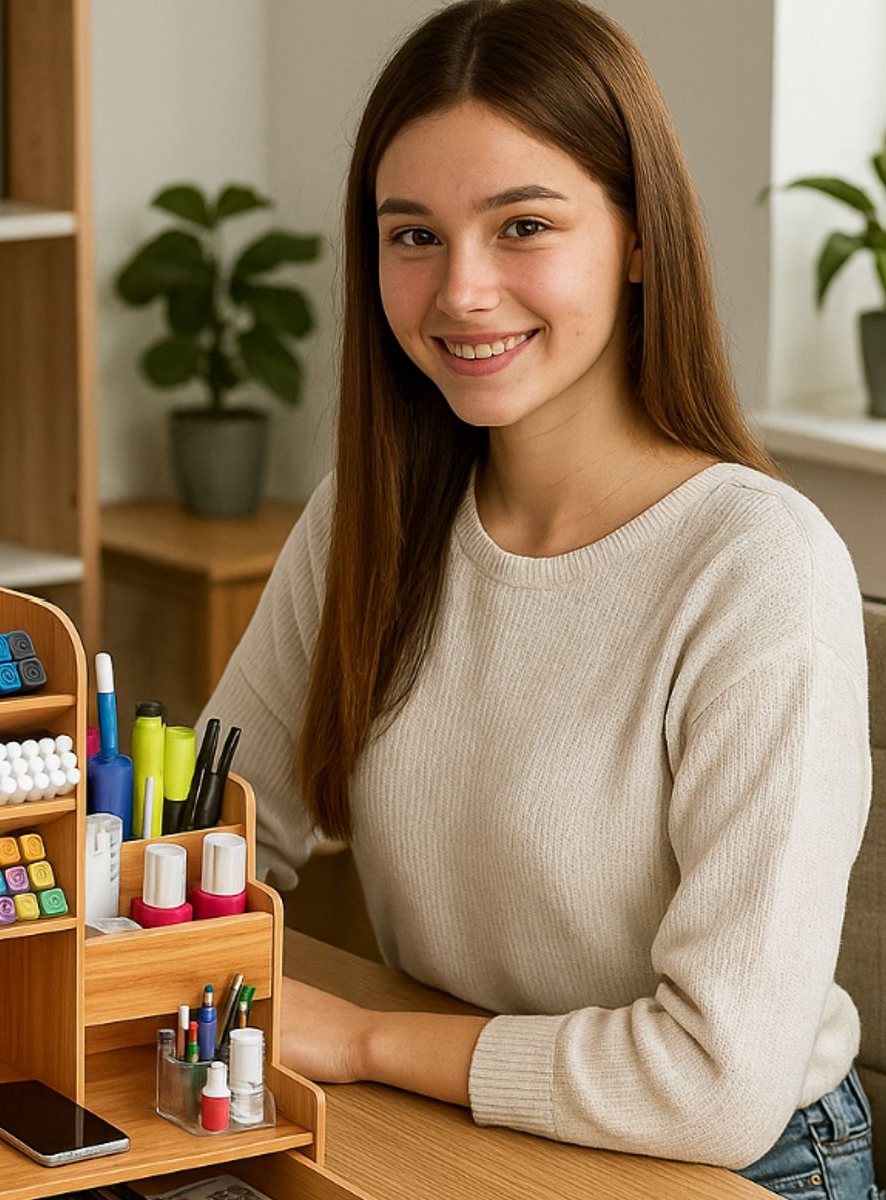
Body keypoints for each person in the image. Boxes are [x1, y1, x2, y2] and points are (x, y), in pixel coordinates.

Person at [195, 1, 877, 1196]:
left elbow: (714, 1082)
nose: (461, 290)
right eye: (413, 236)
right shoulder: (369, 513)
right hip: (463, 1122)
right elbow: (213, 818)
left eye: (522, 225)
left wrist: (358, 1039)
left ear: (638, 237)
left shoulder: (759, 566)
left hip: (739, 1166)